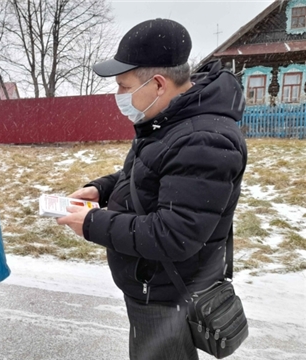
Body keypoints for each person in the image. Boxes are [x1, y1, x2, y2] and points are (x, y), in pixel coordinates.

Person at [57, 18, 247, 360]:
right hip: (154, 285)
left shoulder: (204, 140)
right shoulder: (169, 120)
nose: (118, 96)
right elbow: (150, 172)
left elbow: (175, 234)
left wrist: (91, 224)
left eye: (123, 85)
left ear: (158, 83)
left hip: (169, 296)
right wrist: (101, 189)